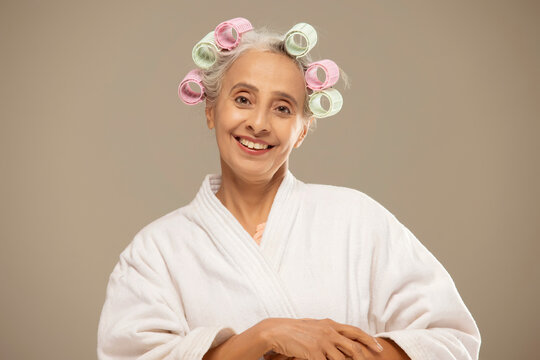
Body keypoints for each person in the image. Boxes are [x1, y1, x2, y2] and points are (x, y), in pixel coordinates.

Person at [97, 18, 481, 360]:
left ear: (302, 130)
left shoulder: (358, 220)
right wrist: (265, 337)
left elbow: (451, 341)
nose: (259, 123)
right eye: (243, 100)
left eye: (282, 108)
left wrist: (332, 353)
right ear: (211, 110)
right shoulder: (154, 252)